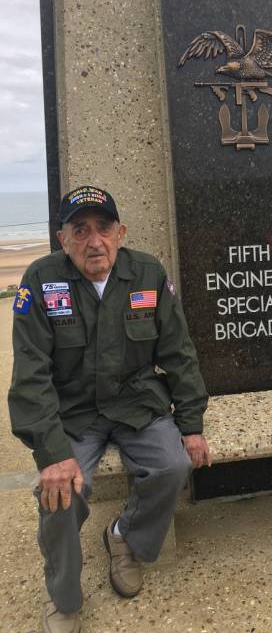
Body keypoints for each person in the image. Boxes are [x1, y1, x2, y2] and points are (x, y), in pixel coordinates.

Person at [8, 186, 211, 633]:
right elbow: (30, 376)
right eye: (80, 230)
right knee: (59, 494)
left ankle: (124, 537)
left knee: (173, 465)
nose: (93, 240)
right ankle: (64, 597)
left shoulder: (148, 273)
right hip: (74, 412)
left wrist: (191, 424)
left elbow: (179, 352)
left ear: (120, 233)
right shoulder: (42, 281)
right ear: (62, 239)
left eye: (103, 228)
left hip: (137, 402)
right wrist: (51, 451)